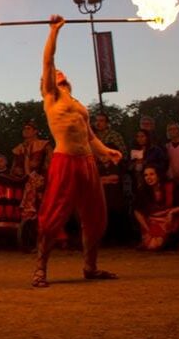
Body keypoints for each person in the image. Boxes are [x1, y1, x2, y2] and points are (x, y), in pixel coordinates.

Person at [32, 16, 122, 288]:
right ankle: (40, 270)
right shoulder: (51, 97)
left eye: (61, 72)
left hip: (87, 163)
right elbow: (48, 61)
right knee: (51, 218)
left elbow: (90, 135)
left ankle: (90, 267)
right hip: (65, 162)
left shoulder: (79, 104)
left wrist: (107, 151)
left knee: (96, 217)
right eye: (54, 73)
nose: (58, 72)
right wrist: (54, 31)